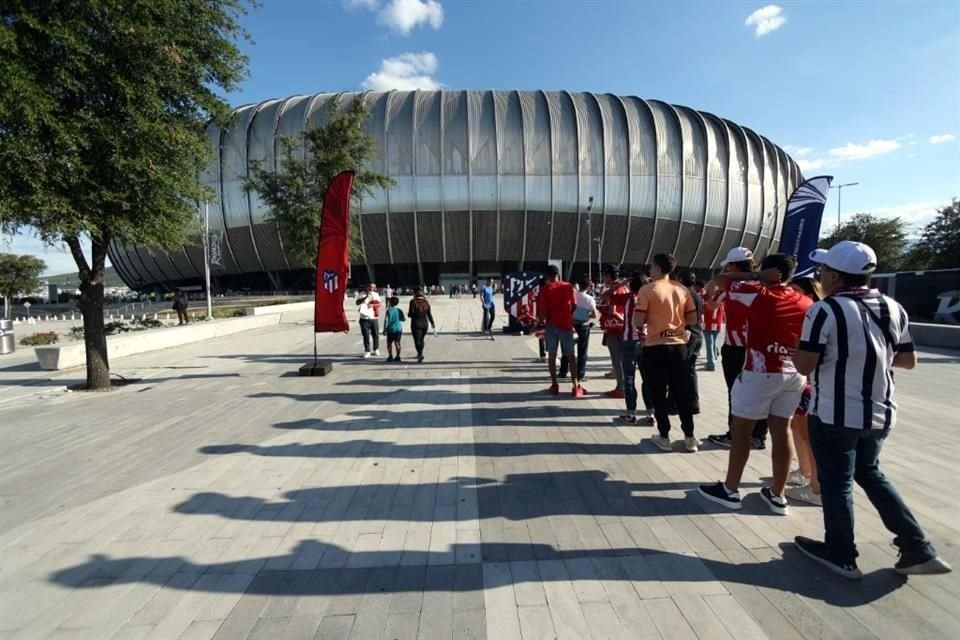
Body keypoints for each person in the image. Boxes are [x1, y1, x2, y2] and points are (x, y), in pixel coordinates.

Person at [791, 241, 952, 579]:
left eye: (823, 271)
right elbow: (908, 360)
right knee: (871, 473)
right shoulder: (894, 307)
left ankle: (841, 552)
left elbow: (805, 363)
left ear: (834, 275)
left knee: (837, 483)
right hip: (880, 413)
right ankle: (917, 546)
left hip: (835, 412)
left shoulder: (824, 311)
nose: (820, 275)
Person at [697, 254, 812, 515]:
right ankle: (778, 495)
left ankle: (729, 489)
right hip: (793, 373)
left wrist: (753, 276)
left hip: (760, 371)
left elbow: (720, 279)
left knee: (741, 432)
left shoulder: (755, 292)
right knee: (781, 431)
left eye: (763, 269)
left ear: (774, 273)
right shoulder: (805, 300)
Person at [705, 247, 768, 450]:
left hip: (735, 347)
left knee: (736, 392)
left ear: (733, 266)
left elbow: (711, 305)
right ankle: (758, 436)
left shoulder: (730, 286)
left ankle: (735, 434)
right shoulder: (764, 285)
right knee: (760, 393)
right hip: (760, 347)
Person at [635, 253, 698, 452]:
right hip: (678, 345)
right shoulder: (682, 289)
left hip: (655, 345)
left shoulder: (647, 290)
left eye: (652, 266)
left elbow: (638, 321)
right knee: (681, 391)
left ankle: (664, 436)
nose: (650, 269)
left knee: (658, 392)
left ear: (659, 268)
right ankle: (689, 437)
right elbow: (693, 320)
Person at [783, 276, 825, 506]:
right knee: (797, 425)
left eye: (797, 291)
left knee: (810, 433)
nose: (792, 296)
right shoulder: (803, 314)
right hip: (800, 378)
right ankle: (805, 471)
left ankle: (817, 487)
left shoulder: (817, 315)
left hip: (812, 381)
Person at [538, 264, 583, 397]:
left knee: (552, 355)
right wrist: (569, 315)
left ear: (548, 275)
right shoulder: (568, 286)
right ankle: (575, 385)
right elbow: (574, 305)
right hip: (566, 324)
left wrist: (541, 321)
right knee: (570, 355)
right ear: (558, 274)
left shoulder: (546, 289)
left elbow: (542, 311)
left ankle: (554, 384)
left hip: (551, 325)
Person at [617, 274, 654, 426]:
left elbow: (607, 296)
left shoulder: (627, 298)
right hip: (646, 341)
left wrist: (621, 283)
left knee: (629, 378)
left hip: (629, 340)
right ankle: (651, 413)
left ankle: (631, 413)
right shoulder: (650, 299)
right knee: (648, 379)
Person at [597, 265, 629, 398]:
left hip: (614, 328)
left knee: (617, 359)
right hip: (623, 327)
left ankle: (621, 388)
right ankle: (624, 386)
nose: (603, 278)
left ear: (609, 275)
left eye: (604, 275)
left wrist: (600, 308)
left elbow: (612, 311)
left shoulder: (614, 290)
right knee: (623, 359)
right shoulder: (624, 287)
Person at [559, 279, 597, 381]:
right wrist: (585, 314)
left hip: (571, 325)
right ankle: (580, 374)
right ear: (589, 287)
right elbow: (594, 315)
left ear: (578, 285)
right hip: (584, 326)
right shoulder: (590, 299)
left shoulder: (573, 295)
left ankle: (563, 371)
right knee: (582, 351)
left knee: (567, 348)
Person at [677, 270, 703, 414]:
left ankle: (678, 403)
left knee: (680, 371)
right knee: (690, 371)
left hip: (687, 336)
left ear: (680, 280)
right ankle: (693, 403)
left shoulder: (685, 295)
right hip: (697, 334)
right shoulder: (697, 296)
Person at [407, 288, 436, 363]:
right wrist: (432, 324)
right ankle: (420, 352)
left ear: (415, 294)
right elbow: (429, 314)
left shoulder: (413, 302)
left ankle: (420, 354)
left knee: (417, 341)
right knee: (421, 339)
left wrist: (409, 314)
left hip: (416, 324)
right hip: (425, 324)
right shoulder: (426, 302)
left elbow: (411, 314)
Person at [356, 282, 382, 358]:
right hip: (364, 318)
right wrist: (365, 297)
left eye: (373, 287)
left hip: (373, 318)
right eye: (370, 287)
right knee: (366, 336)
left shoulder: (375, 294)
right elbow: (357, 303)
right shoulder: (362, 294)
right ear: (367, 287)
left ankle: (376, 349)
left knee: (376, 335)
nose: (371, 288)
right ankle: (367, 351)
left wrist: (372, 305)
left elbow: (379, 304)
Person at [702, 286, 724, 371]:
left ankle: (711, 364)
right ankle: (714, 357)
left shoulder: (705, 297)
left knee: (709, 344)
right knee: (713, 342)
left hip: (708, 323)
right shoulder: (720, 297)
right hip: (717, 323)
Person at [383, 296, 405, 362]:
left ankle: (390, 356)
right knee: (397, 343)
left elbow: (386, 321)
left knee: (389, 343)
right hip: (398, 328)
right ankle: (398, 356)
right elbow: (403, 319)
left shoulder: (388, 311)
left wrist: (384, 329)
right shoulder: (399, 310)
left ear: (390, 302)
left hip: (390, 329)